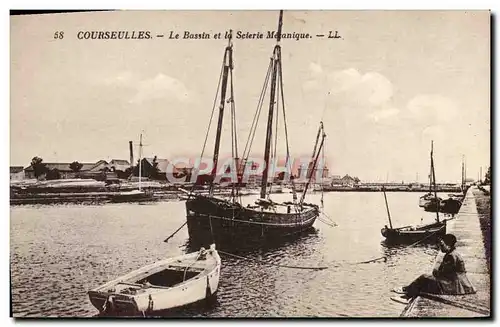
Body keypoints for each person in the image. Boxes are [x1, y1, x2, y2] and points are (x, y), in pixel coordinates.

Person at [391, 234, 476, 304]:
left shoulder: (450, 256)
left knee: (424, 277)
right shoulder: (453, 253)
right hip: (458, 283)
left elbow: (440, 273)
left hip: (454, 285)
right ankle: (407, 293)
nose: (440, 247)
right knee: (426, 280)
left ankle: (406, 294)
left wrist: (436, 270)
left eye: (442, 245)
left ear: (449, 245)